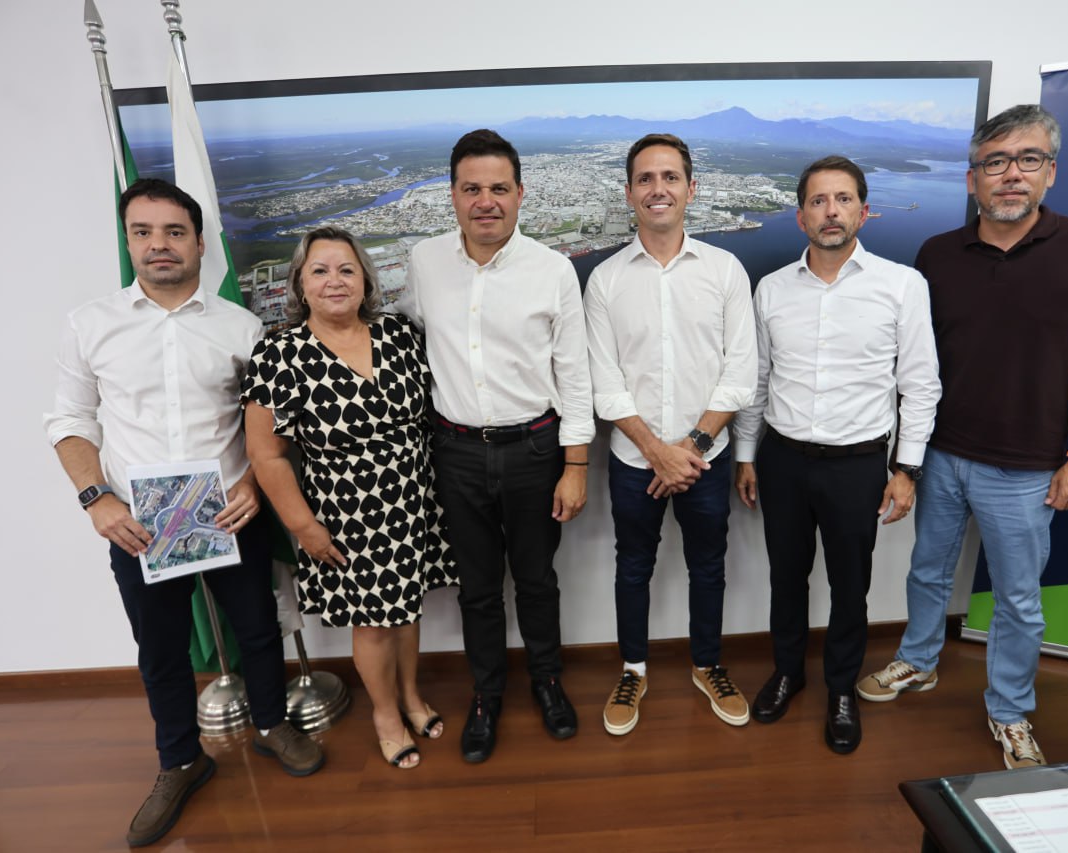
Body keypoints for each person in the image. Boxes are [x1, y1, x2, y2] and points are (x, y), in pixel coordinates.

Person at [44, 178, 323, 848]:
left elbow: (268, 423)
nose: (159, 245)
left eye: (174, 232)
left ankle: (270, 723)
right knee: (160, 647)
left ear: (199, 243)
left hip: (231, 508)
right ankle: (179, 760)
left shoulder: (241, 326)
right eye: (143, 231)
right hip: (138, 521)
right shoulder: (92, 324)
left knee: (258, 628)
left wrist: (257, 482)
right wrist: (96, 497)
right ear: (129, 239)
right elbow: (69, 419)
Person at [857, 104, 1068, 769]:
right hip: (943, 453)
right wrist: (909, 460)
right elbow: (916, 367)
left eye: (1027, 159)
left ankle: (1009, 709)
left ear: (1050, 172)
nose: (1012, 175)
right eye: (995, 162)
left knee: (1019, 600)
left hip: (1029, 465)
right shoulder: (938, 254)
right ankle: (919, 659)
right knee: (927, 568)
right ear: (973, 178)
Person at [398, 129, 594, 763]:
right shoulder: (424, 262)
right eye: (472, 188)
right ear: (452, 195)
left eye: (499, 189)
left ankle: (546, 681)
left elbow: (575, 375)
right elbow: (406, 338)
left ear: (520, 195)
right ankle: (486, 696)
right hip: (453, 453)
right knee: (477, 588)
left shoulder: (552, 269)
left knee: (536, 581)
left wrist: (576, 466)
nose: (486, 201)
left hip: (536, 451)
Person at [733, 156, 941, 754]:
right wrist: (747, 454)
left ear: (863, 210)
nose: (832, 211)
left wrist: (906, 468)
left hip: (858, 463)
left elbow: (921, 385)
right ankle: (788, 672)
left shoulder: (902, 286)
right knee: (785, 576)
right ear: (800, 216)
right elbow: (758, 379)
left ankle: (842, 688)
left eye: (844, 199)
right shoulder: (771, 289)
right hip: (784, 459)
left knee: (851, 585)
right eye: (819, 201)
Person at [241, 226, 457, 770]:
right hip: (344, 513)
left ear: (366, 279)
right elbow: (267, 457)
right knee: (375, 621)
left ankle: (410, 695)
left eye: (346, 269)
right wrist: (304, 527)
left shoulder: (399, 334)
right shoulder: (279, 353)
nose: (334, 281)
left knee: (407, 612)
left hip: (414, 499)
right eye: (320, 270)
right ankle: (386, 715)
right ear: (300, 283)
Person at [584, 133, 757, 736]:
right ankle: (633, 667)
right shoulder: (604, 280)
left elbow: (741, 371)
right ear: (630, 192)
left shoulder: (726, 269)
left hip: (705, 459)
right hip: (636, 462)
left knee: (708, 566)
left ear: (691, 188)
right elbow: (603, 381)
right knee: (633, 566)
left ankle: (707, 663)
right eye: (645, 179)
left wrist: (693, 448)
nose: (658, 189)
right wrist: (658, 452)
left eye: (670, 177)